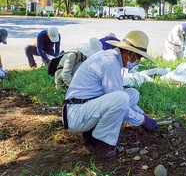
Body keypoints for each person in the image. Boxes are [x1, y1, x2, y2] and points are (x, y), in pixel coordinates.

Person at [62, 30, 157, 158]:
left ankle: (91, 133)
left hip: (83, 108)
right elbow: (119, 100)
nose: (137, 62)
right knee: (121, 98)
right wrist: (142, 120)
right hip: (75, 115)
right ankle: (99, 143)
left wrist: (141, 114)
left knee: (132, 94)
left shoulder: (112, 59)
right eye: (138, 57)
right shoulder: (110, 63)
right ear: (129, 54)